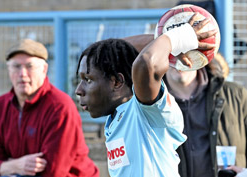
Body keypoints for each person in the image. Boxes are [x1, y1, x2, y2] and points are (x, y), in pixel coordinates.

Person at [75, 14, 215, 176]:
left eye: (88, 79)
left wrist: (178, 38)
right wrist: (166, 41)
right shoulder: (115, 117)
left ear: (116, 82)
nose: (79, 90)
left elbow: (146, 63)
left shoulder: (145, 111)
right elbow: (117, 49)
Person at [125, 36, 247, 176]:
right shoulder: (148, 103)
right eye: (173, 53)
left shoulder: (235, 95)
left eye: (187, 52)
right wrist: (164, 39)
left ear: (200, 54)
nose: (180, 60)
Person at [0, 39, 99, 177]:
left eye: (29, 66)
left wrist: (7, 167)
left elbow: (54, 171)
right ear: (8, 70)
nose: (22, 74)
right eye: (16, 66)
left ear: (44, 69)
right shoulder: (0, 106)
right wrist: (14, 166)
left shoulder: (60, 107)